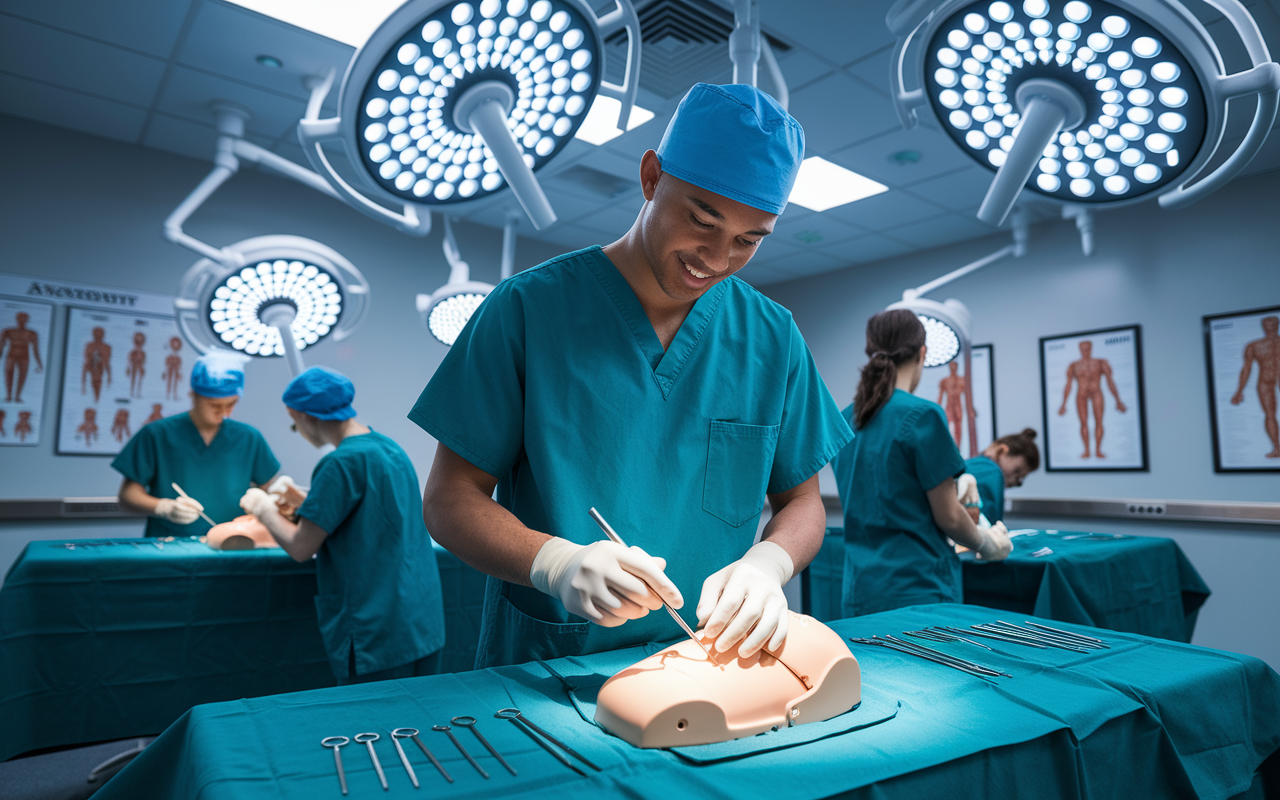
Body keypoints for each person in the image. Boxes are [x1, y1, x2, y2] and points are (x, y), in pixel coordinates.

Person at [412, 83, 852, 669]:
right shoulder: (527, 310)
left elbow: (803, 502)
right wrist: (555, 563)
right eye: (702, 220)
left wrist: (767, 564)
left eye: (749, 240)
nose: (716, 260)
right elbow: (450, 499)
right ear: (651, 178)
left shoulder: (772, 336)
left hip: (709, 663)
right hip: (550, 664)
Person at [240, 366, 446, 685]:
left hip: (376, 628)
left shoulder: (339, 463)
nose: (298, 429)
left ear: (306, 416)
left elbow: (300, 546)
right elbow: (373, 511)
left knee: (374, 729)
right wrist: (306, 499)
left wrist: (263, 509)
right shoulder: (388, 448)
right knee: (414, 722)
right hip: (420, 620)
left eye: (294, 423)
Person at [833, 310, 1012, 618]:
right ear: (922, 354)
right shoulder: (922, 415)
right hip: (916, 592)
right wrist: (987, 543)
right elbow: (950, 518)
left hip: (861, 592)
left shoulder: (844, 419)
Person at [113, 350, 284, 537]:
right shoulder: (157, 434)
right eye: (214, 405)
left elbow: (270, 489)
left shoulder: (249, 437)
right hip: (170, 544)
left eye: (231, 404)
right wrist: (164, 508)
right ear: (193, 395)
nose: (224, 413)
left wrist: (268, 504)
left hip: (234, 543)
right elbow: (127, 496)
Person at [1058, 340, 1126, 459]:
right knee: (1083, 423)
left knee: (1099, 422)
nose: (1085, 350)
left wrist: (1118, 401)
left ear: (1091, 348)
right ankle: (1087, 451)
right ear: (1080, 349)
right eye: (1083, 348)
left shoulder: (1100, 363)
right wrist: (1063, 404)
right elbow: (1068, 385)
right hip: (1081, 394)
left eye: (1087, 348)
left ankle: (1098, 450)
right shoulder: (1074, 365)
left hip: (1096, 392)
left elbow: (1110, 381)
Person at [961, 429, 1041, 525]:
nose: (1014, 482)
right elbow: (988, 531)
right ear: (1002, 451)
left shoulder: (973, 464)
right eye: (1016, 471)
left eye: (1020, 480)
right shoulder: (991, 471)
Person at [1231, 315, 1279, 458]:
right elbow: (1246, 369)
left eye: (1273, 324)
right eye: (1267, 324)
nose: (1270, 327)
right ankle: (1277, 448)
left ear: (1277, 325)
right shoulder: (1254, 346)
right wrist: (1239, 391)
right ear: (1263, 326)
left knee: (1269, 415)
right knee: (1269, 414)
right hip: (1265, 380)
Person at [2, 311, 43, 403]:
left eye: (24, 318)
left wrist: (39, 363)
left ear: (27, 320)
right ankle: (8, 396)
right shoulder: (8, 331)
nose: (22, 320)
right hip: (11, 353)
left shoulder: (32, 333)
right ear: (16, 319)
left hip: (24, 355)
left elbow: (35, 350)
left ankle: (17, 397)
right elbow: (1, 345)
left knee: (22, 376)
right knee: (8, 374)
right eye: (20, 318)